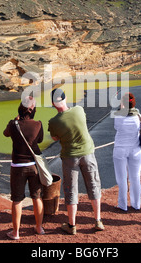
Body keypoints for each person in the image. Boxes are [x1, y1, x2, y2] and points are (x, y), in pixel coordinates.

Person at [48, 88, 104, 234]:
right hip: (88, 153)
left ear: (53, 104)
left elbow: (55, 138)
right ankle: (98, 220)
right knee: (93, 184)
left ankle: (72, 225)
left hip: (69, 157)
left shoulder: (53, 122)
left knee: (71, 189)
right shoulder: (79, 110)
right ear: (65, 99)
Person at [3, 97, 44, 240]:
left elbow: (5, 133)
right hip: (33, 166)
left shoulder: (13, 124)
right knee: (37, 197)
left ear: (21, 108)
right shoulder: (38, 124)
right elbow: (39, 140)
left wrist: (16, 120)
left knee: (17, 200)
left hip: (18, 166)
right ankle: (39, 228)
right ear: (33, 110)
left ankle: (16, 232)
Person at [112, 92, 141, 212]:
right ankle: (136, 204)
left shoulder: (118, 117)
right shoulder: (139, 116)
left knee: (122, 178)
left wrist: (120, 106)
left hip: (120, 150)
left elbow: (117, 127)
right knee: (135, 178)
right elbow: (134, 110)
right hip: (135, 150)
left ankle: (122, 205)